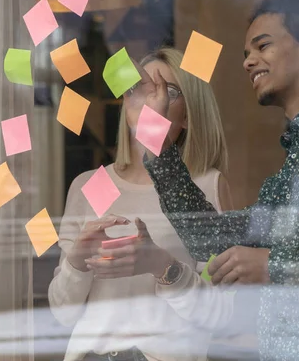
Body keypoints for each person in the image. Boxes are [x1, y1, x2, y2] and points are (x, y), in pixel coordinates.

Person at [85, 0, 299, 360]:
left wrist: (272, 266)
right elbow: (210, 238)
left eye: (262, 46)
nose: (249, 61)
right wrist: (153, 134)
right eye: (245, 54)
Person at [48, 47, 234, 361]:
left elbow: (220, 313)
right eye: (137, 87)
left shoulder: (205, 185)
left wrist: (163, 267)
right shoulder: (90, 184)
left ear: (188, 115)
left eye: (167, 91)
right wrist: (77, 262)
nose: (151, 98)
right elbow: (62, 314)